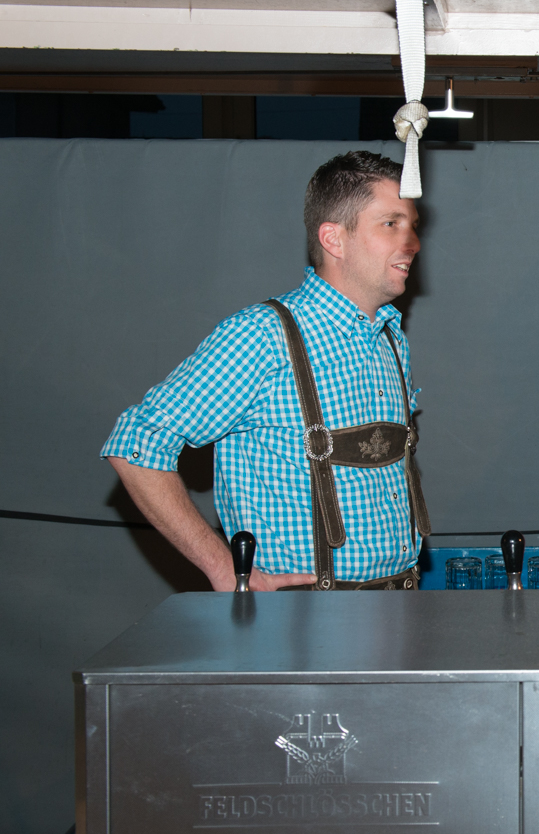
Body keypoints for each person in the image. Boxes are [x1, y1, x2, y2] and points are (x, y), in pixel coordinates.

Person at [102, 151, 431, 592]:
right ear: (334, 239)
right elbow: (136, 445)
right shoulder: (263, 336)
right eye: (391, 223)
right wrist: (224, 567)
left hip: (401, 607)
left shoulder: (390, 339)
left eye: (412, 225)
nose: (412, 243)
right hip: (300, 620)